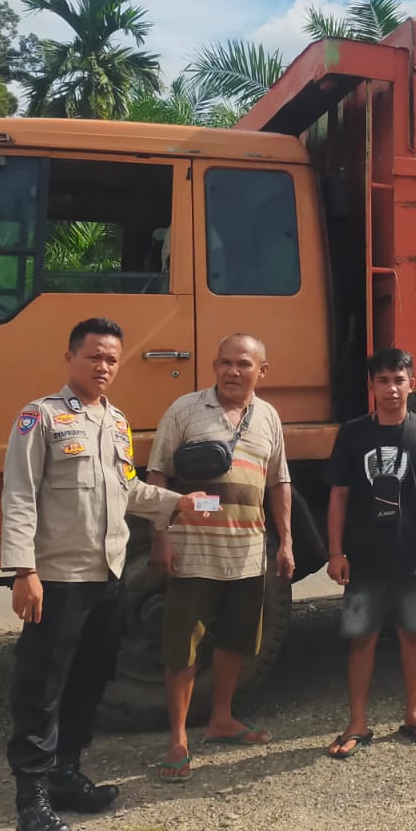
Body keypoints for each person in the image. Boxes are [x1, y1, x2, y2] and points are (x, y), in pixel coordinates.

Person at [1, 317, 198, 831]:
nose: (104, 367)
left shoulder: (116, 423)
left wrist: (177, 504)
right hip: (58, 580)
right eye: (94, 357)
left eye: (112, 359)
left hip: (106, 579)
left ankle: (66, 773)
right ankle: (32, 802)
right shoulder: (39, 418)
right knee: (42, 688)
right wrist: (24, 571)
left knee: (90, 679)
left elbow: (128, 489)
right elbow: (19, 496)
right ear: (70, 358)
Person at [147, 333, 296, 782]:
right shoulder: (185, 410)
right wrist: (160, 538)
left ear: (261, 371)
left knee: (235, 642)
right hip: (193, 553)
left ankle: (222, 720)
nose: (233, 371)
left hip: (247, 556)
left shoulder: (269, 417)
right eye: (225, 363)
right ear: (214, 365)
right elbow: (157, 474)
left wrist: (286, 541)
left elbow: (279, 483)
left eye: (244, 364)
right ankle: (177, 739)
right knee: (182, 649)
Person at [322, 348, 416, 758]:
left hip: (414, 556)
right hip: (364, 557)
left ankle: (414, 714)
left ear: (412, 384)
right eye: (382, 381)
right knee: (361, 638)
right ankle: (357, 723)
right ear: (372, 386)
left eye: (399, 380)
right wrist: (335, 551)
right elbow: (339, 497)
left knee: (412, 634)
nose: (391, 389)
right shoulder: (353, 434)